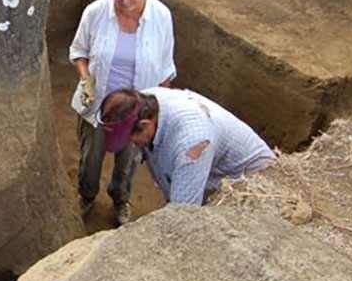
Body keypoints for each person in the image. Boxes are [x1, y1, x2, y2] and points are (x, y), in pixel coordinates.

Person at [69, 0, 176, 225]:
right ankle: (87, 195)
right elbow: (79, 51)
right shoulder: (96, 12)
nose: (125, 2)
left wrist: (156, 111)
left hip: (137, 107)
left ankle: (120, 199)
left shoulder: (161, 16)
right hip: (99, 103)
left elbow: (165, 68)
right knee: (90, 157)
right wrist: (86, 80)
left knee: (129, 159)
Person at [98, 87, 275, 205]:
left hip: (254, 187)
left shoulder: (190, 145)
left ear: (145, 125)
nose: (130, 144)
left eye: (131, 138)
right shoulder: (145, 100)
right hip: (209, 171)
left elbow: (183, 217)